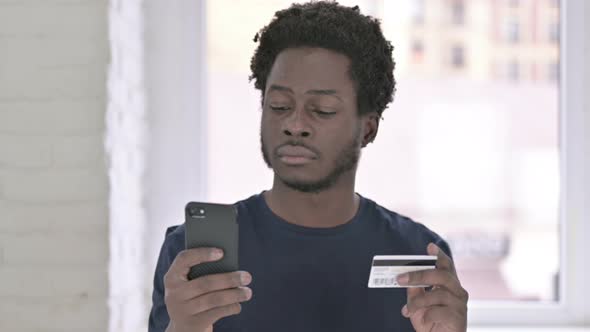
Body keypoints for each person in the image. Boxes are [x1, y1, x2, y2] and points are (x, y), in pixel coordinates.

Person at [148, 2, 469, 332]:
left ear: (368, 128)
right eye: (279, 105)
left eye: (323, 109)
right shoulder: (193, 259)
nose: (295, 124)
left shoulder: (419, 257)